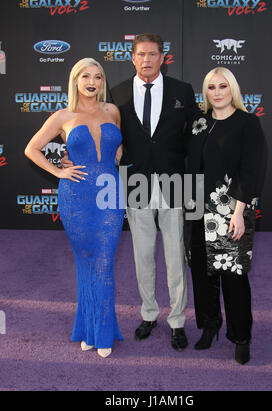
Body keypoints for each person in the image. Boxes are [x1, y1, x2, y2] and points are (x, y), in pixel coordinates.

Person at [63, 33, 200, 351]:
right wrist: (72, 154)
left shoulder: (183, 91)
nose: (147, 60)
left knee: (175, 257)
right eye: (141, 54)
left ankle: (177, 320)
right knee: (142, 256)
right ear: (133, 57)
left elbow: (196, 137)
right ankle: (149, 314)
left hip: (174, 183)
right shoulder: (118, 94)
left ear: (163, 57)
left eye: (153, 54)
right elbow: (106, 135)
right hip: (135, 182)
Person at [25, 58, 124, 358]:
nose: (92, 81)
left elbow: (117, 148)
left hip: (109, 196)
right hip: (76, 197)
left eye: (97, 76)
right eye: (86, 76)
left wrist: (114, 160)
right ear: (76, 80)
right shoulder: (62, 116)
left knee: (104, 263)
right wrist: (58, 171)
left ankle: (101, 332)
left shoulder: (112, 111)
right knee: (86, 263)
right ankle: (89, 327)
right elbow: (31, 148)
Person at [186, 67, 266, 365]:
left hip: (230, 211)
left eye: (222, 86)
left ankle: (241, 337)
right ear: (205, 93)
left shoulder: (247, 124)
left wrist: (240, 212)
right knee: (202, 276)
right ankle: (209, 327)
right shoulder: (199, 123)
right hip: (196, 210)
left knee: (234, 278)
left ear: (232, 88)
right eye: (211, 87)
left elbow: (251, 169)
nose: (217, 92)